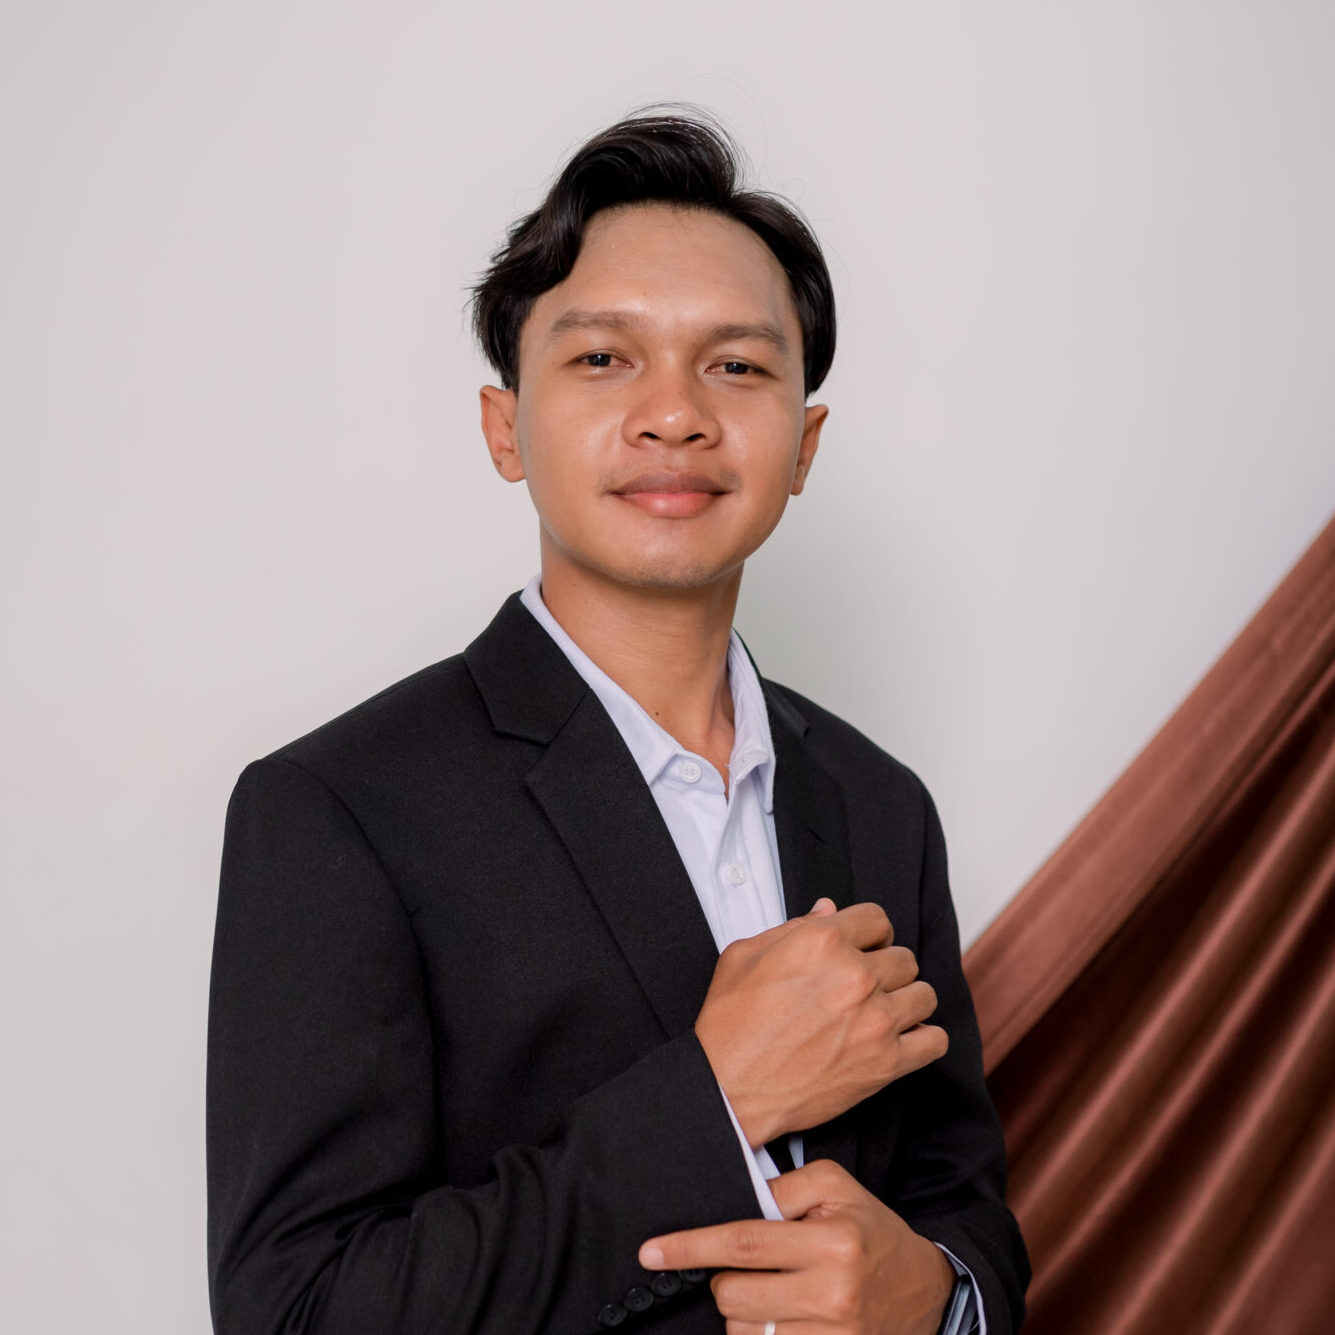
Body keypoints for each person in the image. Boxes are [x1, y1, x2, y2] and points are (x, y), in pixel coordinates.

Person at [206, 105, 1029, 1335]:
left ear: (804, 445)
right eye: (603, 359)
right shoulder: (340, 810)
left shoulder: (880, 805)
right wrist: (716, 1101)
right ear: (505, 429)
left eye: (736, 365)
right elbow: (299, 1310)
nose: (675, 413)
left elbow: (963, 1210)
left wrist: (940, 1297)